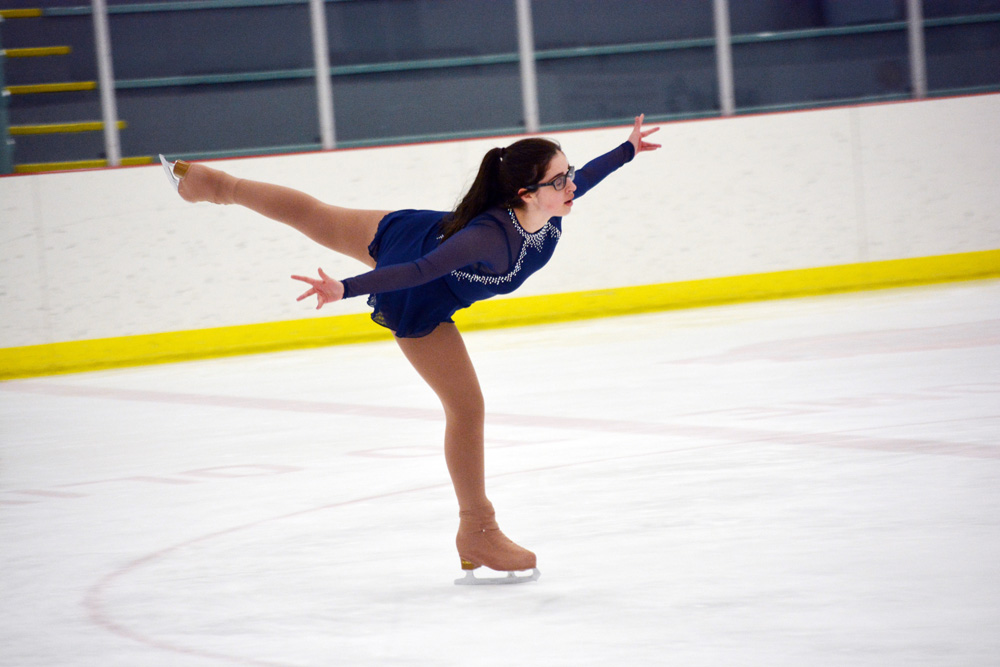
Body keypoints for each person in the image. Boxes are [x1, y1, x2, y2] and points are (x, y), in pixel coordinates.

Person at [160, 114, 660, 584]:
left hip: (420, 233)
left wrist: (627, 150)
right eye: (560, 179)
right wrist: (346, 289)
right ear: (526, 193)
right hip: (416, 291)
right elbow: (420, 272)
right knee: (466, 406)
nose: (571, 184)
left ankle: (206, 183)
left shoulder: (548, 210)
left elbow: (588, 178)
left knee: (317, 214)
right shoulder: (487, 237)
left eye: (568, 173)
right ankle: (477, 529)